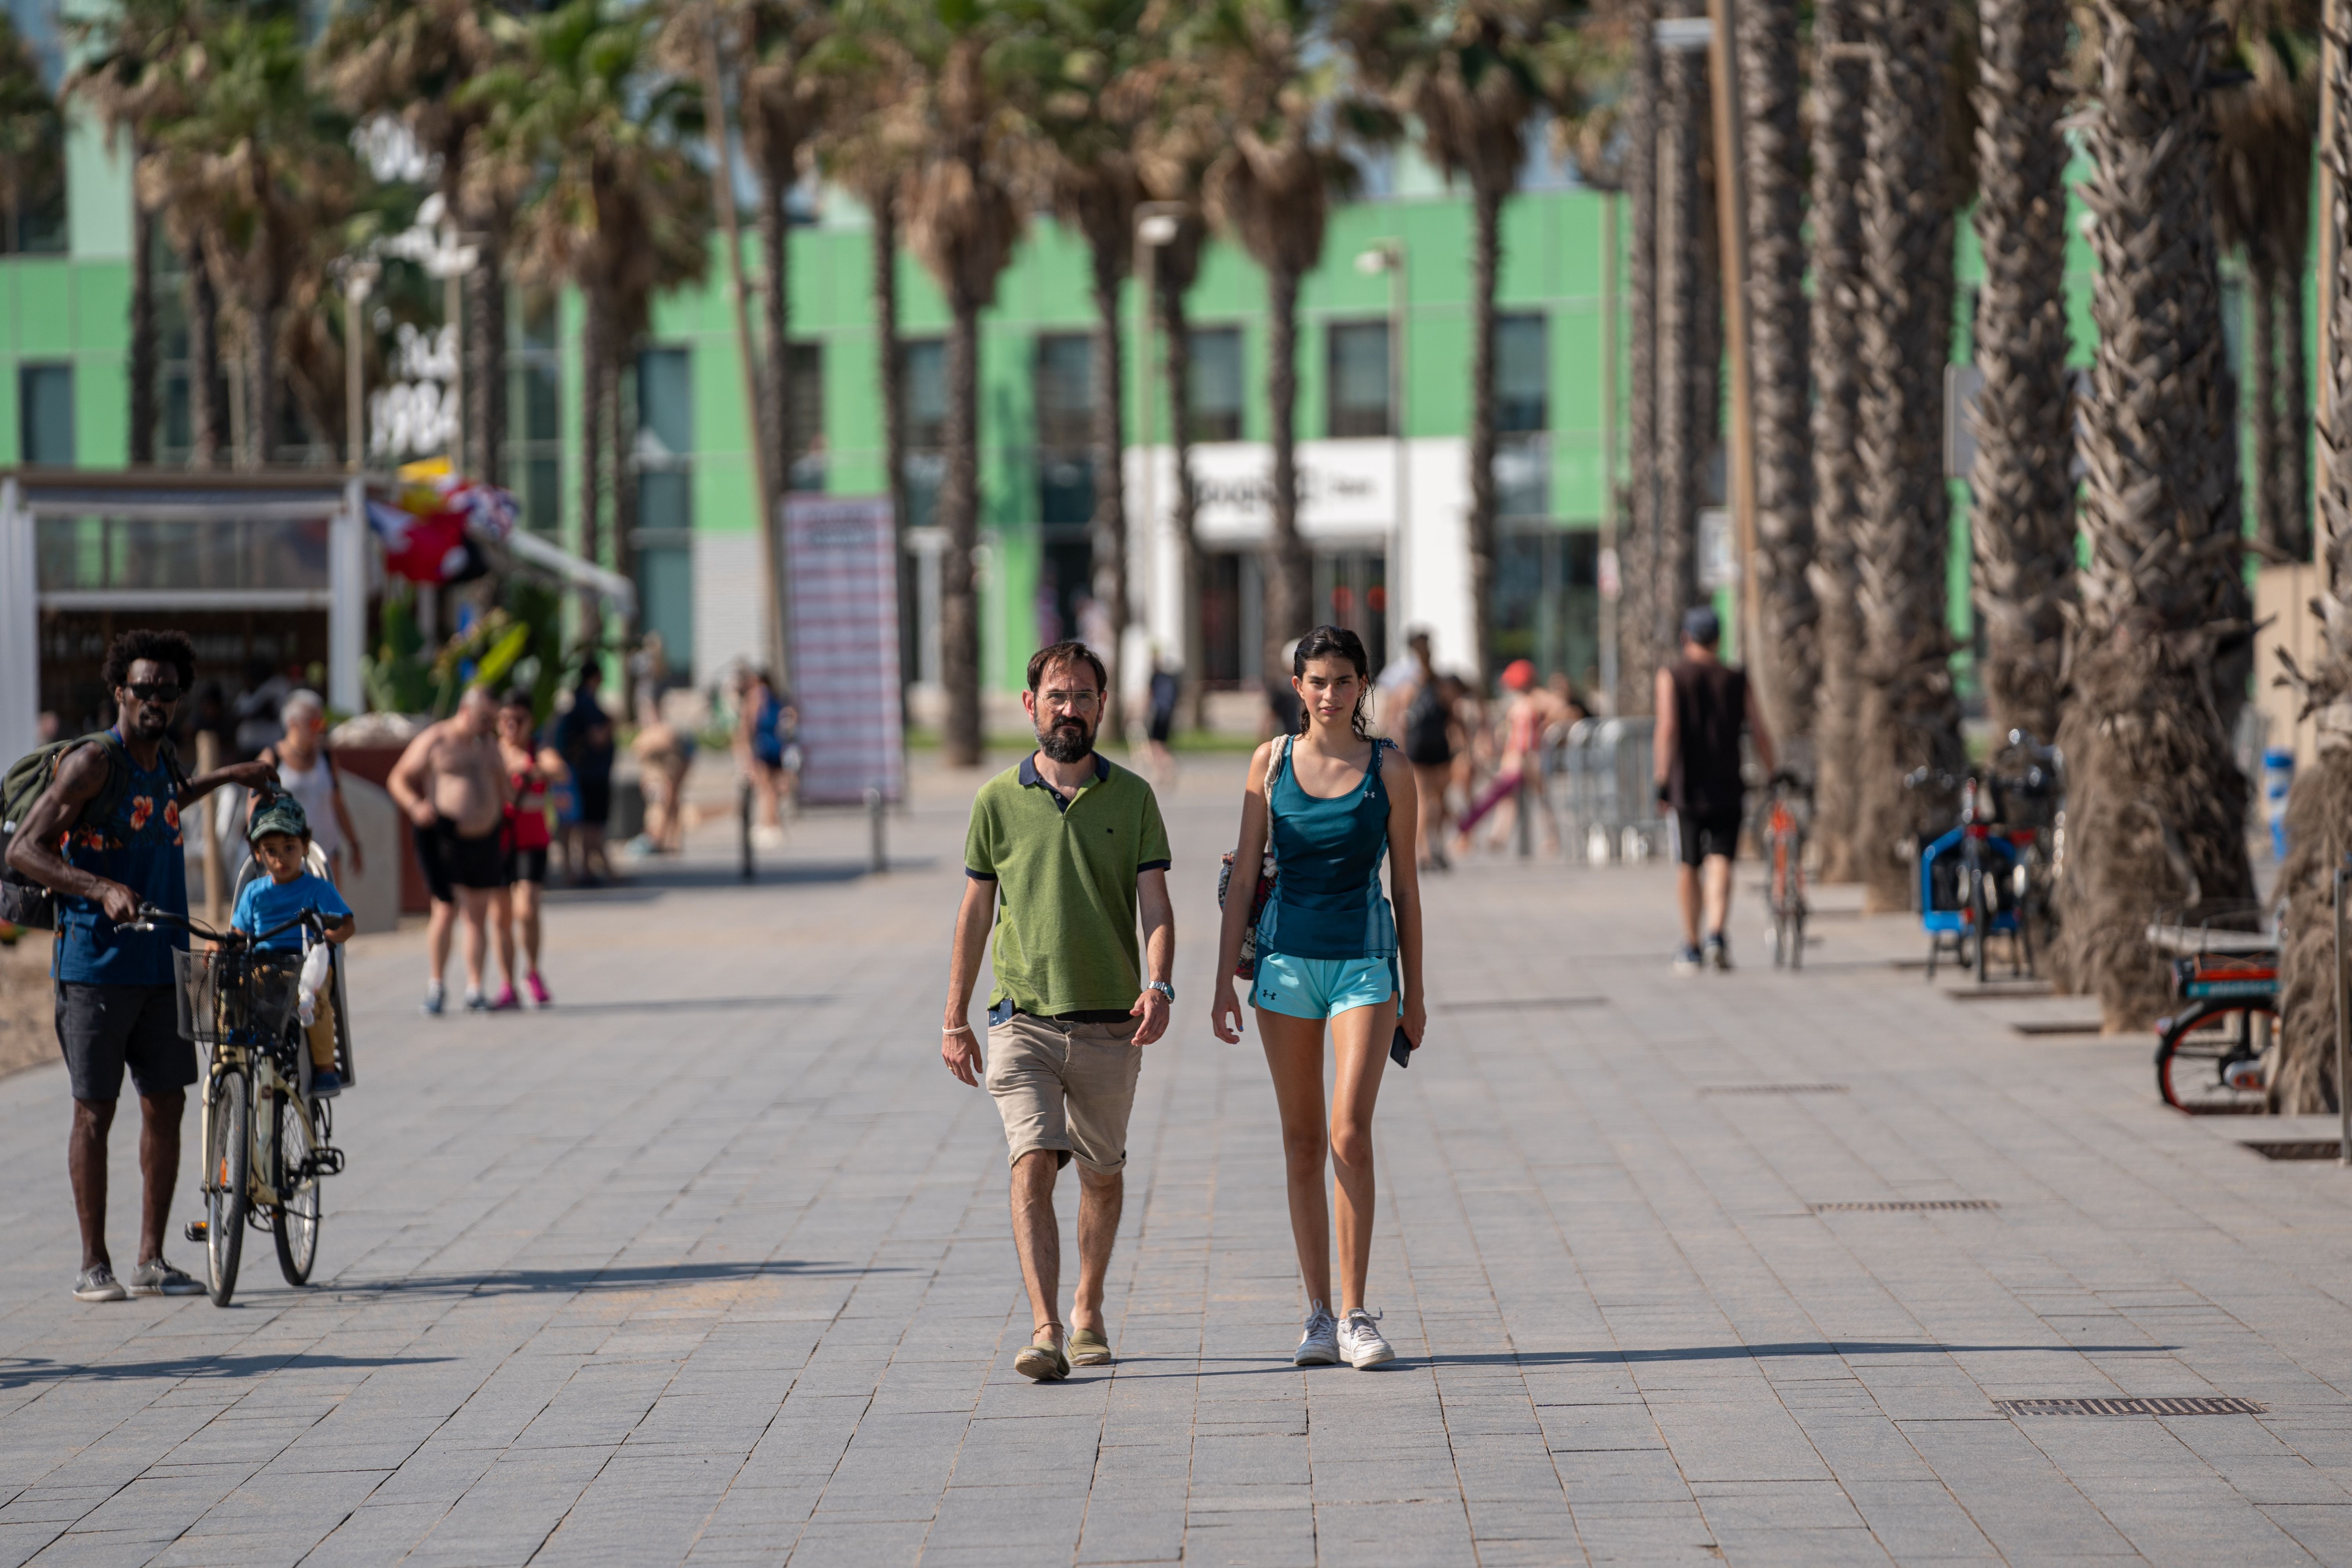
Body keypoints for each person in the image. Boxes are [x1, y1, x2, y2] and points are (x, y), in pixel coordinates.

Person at [4, 628, 278, 1302]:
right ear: (119, 692)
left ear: (179, 697)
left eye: (167, 691)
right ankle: (92, 1264)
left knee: (168, 1104)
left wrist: (228, 778)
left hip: (164, 963)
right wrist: (99, 888)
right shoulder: (92, 763)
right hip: (94, 966)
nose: (154, 700)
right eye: (142, 689)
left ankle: (151, 1259)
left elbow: (161, 808)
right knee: (95, 1113)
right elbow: (24, 852)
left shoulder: (162, 760)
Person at [940, 641, 1175, 1382]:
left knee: (1101, 1173)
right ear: (1030, 705)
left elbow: (1157, 907)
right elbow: (976, 913)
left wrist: (1160, 984)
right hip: (1022, 1018)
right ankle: (1044, 1328)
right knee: (1032, 1160)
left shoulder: (1134, 797)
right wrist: (955, 1018)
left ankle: (1088, 1308)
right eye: (1056, 696)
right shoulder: (997, 801)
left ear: (1103, 706)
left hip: (1112, 1019)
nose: (1068, 709)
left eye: (1081, 697)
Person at [1211, 625, 1425, 1371]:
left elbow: (1406, 887)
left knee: (1349, 1134)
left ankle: (1359, 1312)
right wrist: (1217, 988)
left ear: (1363, 685)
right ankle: (1318, 1316)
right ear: (1297, 688)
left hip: (1365, 963)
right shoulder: (1270, 764)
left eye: (1342, 680)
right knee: (1302, 1141)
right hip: (1285, 967)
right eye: (1316, 681)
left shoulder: (1390, 769)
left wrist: (1416, 994)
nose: (1329, 694)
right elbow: (1242, 879)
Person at [1654, 605, 1775, 973]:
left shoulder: (1672, 676)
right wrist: (1773, 772)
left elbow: (1668, 728)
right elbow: (1758, 728)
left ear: (1685, 637)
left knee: (1689, 864)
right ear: (1719, 638)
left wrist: (1661, 780)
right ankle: (1716, 934)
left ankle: (1690, 946)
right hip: (1727, 783)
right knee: (1721, 858)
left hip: (1685, 786)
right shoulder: (1736, 677)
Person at [390, 688, 514, 1013]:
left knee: (478, 913)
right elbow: (398, 778)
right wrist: (416, 805)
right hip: (446, 835)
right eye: (485, 718)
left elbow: (505, 786)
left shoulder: (490, 745)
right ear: (465, 710)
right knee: (445, 909)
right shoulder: (437, 738)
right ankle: (437, 985)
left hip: (485, 838)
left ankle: (475, 988)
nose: (489, 726)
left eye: (493, 720)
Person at [233, 795, 354, 1098]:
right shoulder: (254, 893)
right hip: (265, 964)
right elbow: (238, 933)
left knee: (316, 1000)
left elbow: (347, 924)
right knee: (232, 985)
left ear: (305, 845)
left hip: (306, 964)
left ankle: (326, 1067)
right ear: (258, 854)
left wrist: (329, 934)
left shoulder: (317, 889)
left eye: (289, 848)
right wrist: (218, 944)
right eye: (270, 851)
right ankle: (234, 1045)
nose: (280, 859)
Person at [494, 690, 563, 1008]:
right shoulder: (491, 753)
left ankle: (533, 972)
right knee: (501, 916)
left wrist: (529, 767)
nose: (511, 727)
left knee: (527, 910)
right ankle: (508, 984)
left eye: (518, 721)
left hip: (533, 840)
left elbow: (559, 770)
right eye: (505, 720)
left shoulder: (538, 752)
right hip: (498, 841)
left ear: (529, 722)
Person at [255, 690, 363, 884]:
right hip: (285, 860)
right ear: (293, 724)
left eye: (322, 723)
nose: (320, 729)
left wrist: (354, 843)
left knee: (330, 913)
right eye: (314, 723)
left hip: (325, 855)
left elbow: (337, 803)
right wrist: (261, 850)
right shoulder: (272, 758)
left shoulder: (327, 758)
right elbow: (254, 809)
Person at [1454, 660, 1560, 857]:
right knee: (1507, 799)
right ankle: (1498, 836)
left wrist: (1547, 726)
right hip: (1515, 756)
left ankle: (1551, 836)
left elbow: (1557, 708)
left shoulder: (1534, 700)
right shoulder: (1518, 703)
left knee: (1537, 798)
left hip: (1527, 757)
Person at [1393, 631, 1457, 871]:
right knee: (1436, 801)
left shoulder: (1408, 687)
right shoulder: (1439, 686)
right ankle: (1432, 849)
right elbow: (1455, 719)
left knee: (1428, 801)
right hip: (1436, 747)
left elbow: (1397, 724)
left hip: (1422, 748)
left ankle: (1426, 851)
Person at [555, 665, 616, 886]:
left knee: (577, 824)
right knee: (591, 824)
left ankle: (583, 869)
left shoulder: (576, 701)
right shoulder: (587, 704)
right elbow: (597, 738)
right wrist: (611, 722)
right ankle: (587, 871)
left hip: (581, 771)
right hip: (591, 773)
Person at [736, 667, 797, 844]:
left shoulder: (757, 699)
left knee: (768, 790)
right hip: (776, 749)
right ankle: (772, 823)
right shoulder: (776, 699)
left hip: (766, 748)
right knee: (773, 789)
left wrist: (746, 755)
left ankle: (770, 824)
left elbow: (746, 729)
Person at [1143, 651, 1180, 788]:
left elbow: (1150, 695)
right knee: (1162, 744)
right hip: (1168, 714)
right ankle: (1166, 767)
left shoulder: (1155, 677)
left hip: (1158, 713)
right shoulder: (1170, 678)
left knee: (1155, 744)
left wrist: (1145, 712)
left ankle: (1163, 768)